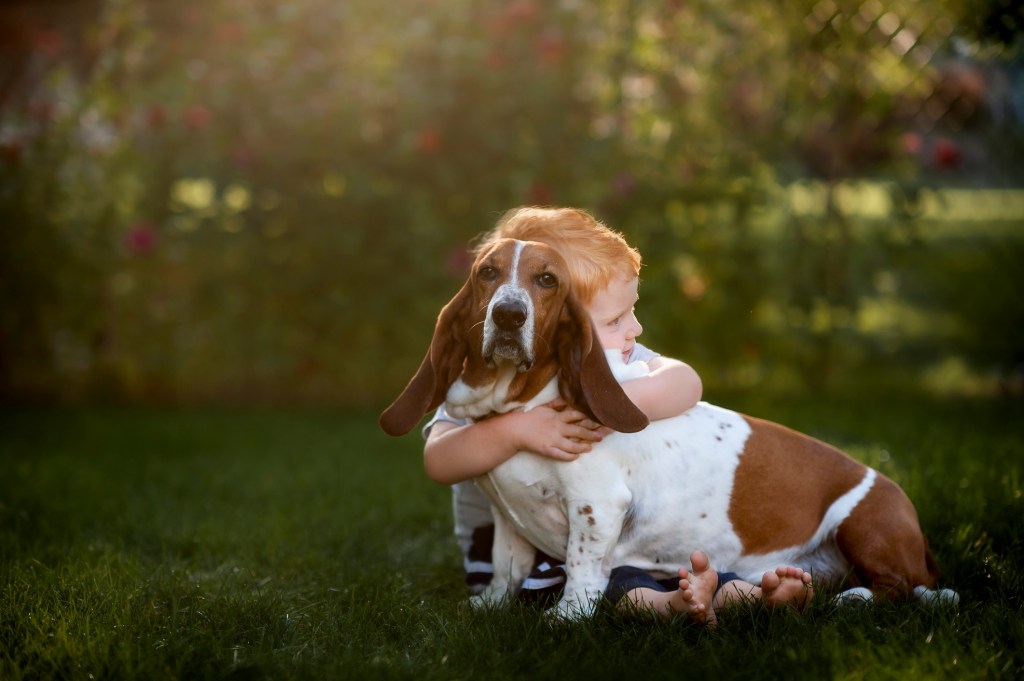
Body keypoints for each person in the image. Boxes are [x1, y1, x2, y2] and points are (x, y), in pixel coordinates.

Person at [422, 206, 813, 623]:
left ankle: (734, 592)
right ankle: (686, 603)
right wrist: (517, 430)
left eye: (631, 311)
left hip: (618, 543)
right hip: (527, 551)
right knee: (596, 585)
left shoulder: (615, 361)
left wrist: (601, 403)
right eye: (615, 319)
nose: (634, 329)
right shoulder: (477, 386)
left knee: (641, 571)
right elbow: (439, 460)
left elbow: (686, 383)